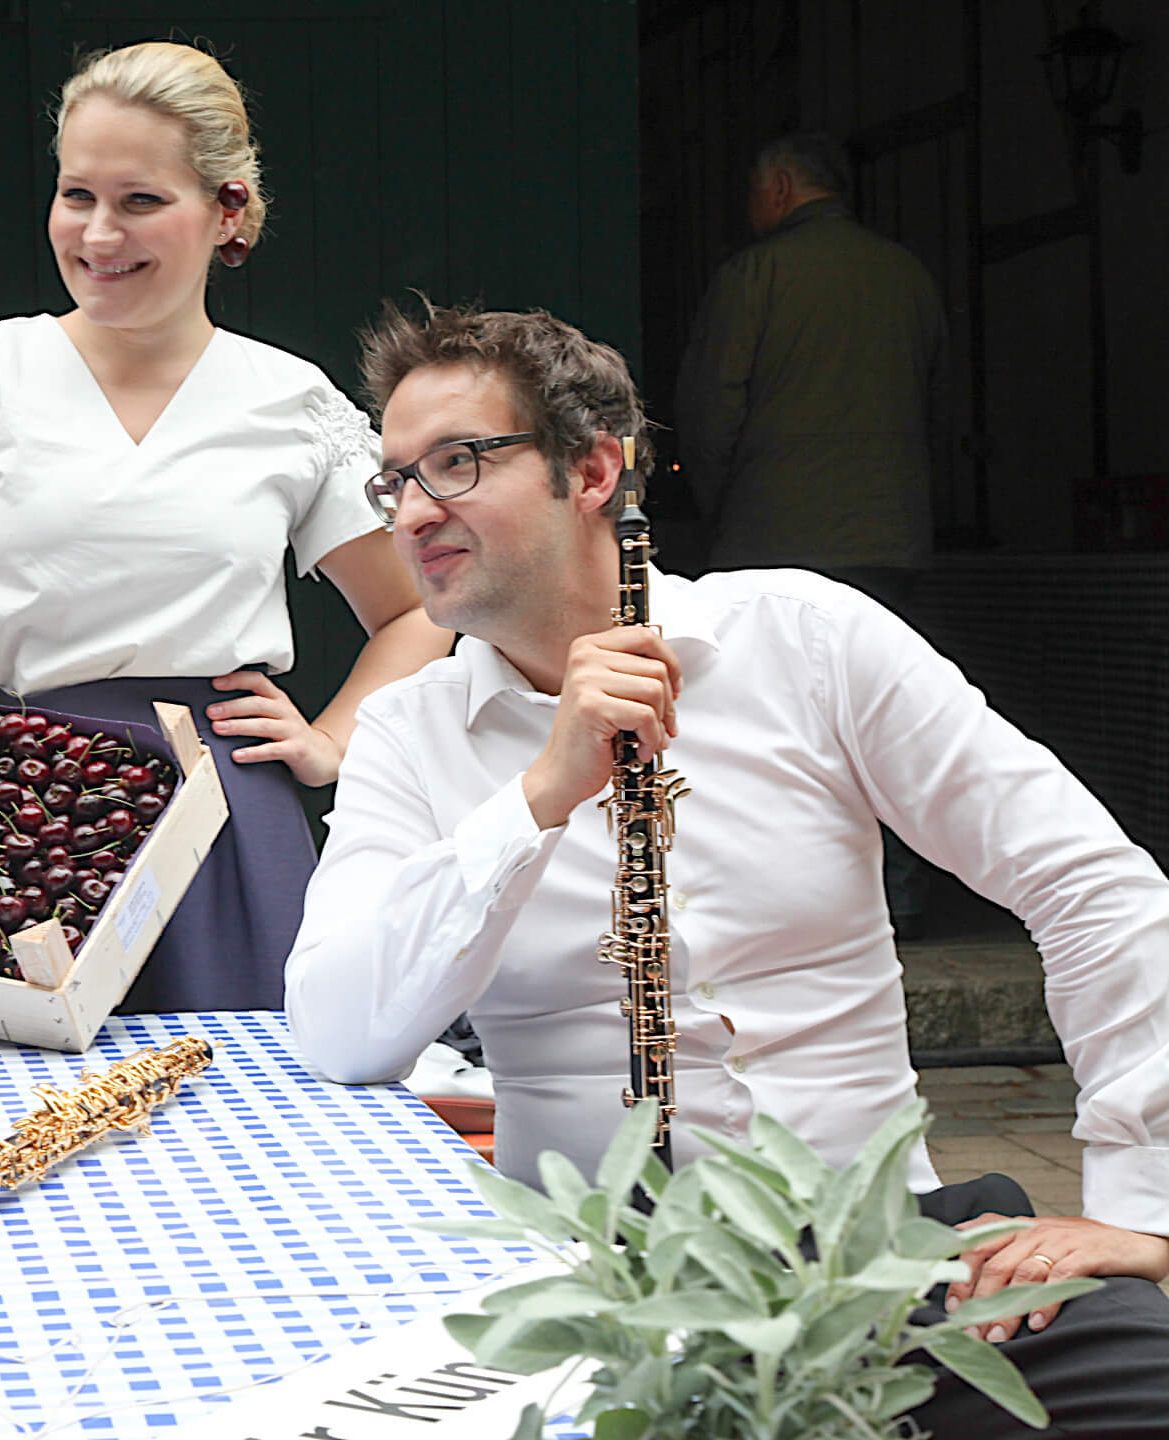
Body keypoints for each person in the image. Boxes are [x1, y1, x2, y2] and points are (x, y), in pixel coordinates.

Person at [284, 300, 1169, 1437]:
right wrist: (537, 799)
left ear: (593, 468)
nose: (412, 511)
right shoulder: (413, 734)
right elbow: (339, 1033)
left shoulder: (808, 639)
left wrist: (1140, 1206)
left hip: (890, 1262)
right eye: (394, 480)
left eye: (455, 464)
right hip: (600, 1293)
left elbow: (1093, 884)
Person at [0, 41, 457, 1011]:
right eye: (76, 196)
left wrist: (331, 742)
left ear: (227, 212)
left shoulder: (290, 401)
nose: (99, 235)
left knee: (236, 1124)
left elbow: (419, 611)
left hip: (214, 824)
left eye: (140, 201)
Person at [675, 132, 950, 936]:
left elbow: (711, 409)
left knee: (771, 720)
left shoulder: (754, 275)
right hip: (888, 530)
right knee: (890, 711)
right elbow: (935, 400)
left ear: (782, 187)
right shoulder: (907, 274)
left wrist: (721, 505)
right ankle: (900, 893)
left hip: (775, 530)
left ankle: (784, 899)